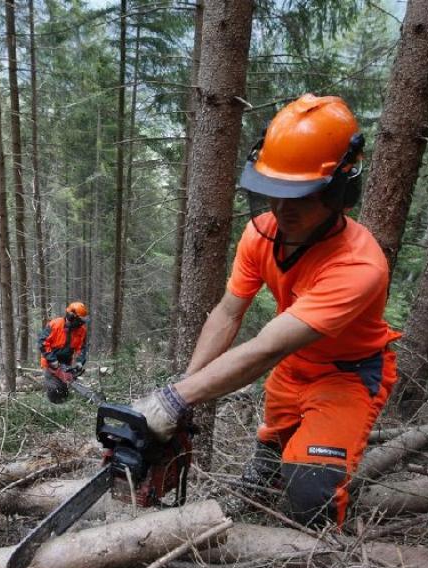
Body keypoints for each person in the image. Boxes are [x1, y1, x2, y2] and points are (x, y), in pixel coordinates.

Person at [133, 94, 400, 528]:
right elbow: (227, 313)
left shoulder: (358, 266)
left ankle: (317, 561)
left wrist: (177, 398)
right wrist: (184, 388)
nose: (281, 208)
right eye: (273, 194)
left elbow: (265, 348)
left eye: (298, 196)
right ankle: (269, 462)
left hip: (346, 376)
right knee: (273, 448)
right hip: (291, 371)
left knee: (311, 491)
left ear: (338, 188)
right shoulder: (261, 235)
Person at [39, 301, 89, 404]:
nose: (81, 323)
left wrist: (79, 362)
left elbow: (82, 347)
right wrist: (52, 360)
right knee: (54, 389)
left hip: (66, 362)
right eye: (80, 320)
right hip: (50, 362)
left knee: (64, 390)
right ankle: (52, 408)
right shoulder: (55, 324)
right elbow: (42, 343)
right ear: (71, 317)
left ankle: (64, 407)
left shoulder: (81, 330)